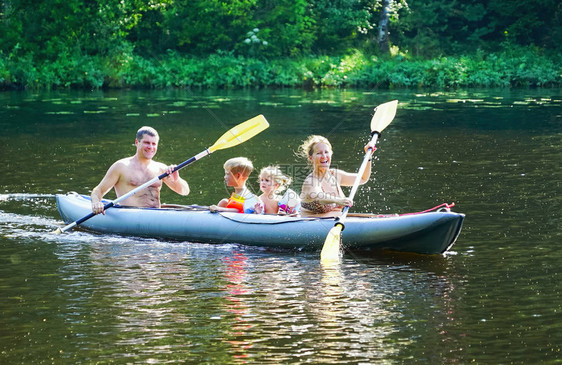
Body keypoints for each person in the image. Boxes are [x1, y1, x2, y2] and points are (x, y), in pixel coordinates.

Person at [90, 126, 190, 214]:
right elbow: (98, 191)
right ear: (137, 142)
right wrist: (96, 203)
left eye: (154, 144)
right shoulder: (121, 166)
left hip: (157, 215)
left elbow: (184, 191)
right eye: (147, 143)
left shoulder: (161, 168)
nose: (150, 147)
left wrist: (176, 179)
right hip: (132, 216)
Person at [298, 135, 375, 217]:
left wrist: (368, 156)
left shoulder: (335, 175)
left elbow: (363, 178)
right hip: (312, 225)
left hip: (337, 220)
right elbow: (318, 196)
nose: (324, 156)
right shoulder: (310, 181)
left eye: (326, 152)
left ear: (331, 154)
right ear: (311, 158)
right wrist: (339, 200)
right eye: (319, 153)